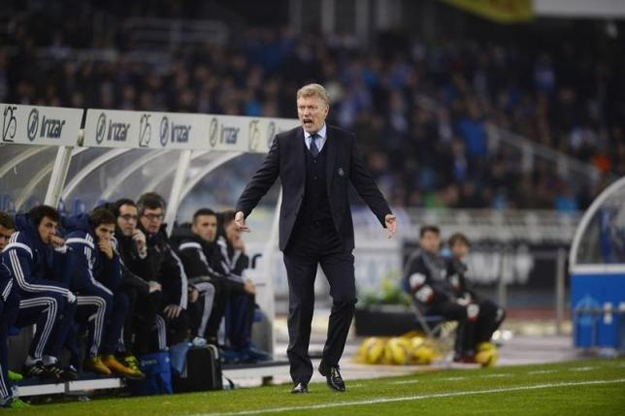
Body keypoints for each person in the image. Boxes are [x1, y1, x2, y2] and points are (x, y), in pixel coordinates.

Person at [235, 83, 397, 393]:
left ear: (325, 110)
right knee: (301, 306)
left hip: (335, 237)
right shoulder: (284, 143)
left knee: (346, 297)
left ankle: (330, 362)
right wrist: (243, 209)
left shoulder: (344, 142)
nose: (305, 113)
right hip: (298, 238)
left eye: (311, 108)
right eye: (301, 108)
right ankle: (300, 377)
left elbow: (364, 181)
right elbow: (262, 179)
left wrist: (384, 213)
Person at [63, 207, 142, 378]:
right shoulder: (80, 239)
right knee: (104, 299)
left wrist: (111, 259)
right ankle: (92, 356)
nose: (107, 235)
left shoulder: (109, 242)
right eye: (103, 230)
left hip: (82, 295)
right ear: (93, 227)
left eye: (111, 232)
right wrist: (108, 294)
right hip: (67, 295)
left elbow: (114, 282)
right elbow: (81, 281)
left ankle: (108, 354)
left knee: (122, 299)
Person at [2, 205, 76, 379]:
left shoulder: (44, 246)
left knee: (69, 300)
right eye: (48, 225)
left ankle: (50, 358)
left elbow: (59, 282)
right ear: (36, 225)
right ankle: (33, 361)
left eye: (55, 227)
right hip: (9, 305)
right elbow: (23, 283)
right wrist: (63, 290)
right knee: (55, 300)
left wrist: (61, 252)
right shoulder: (20, 238)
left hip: (23, 302)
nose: (53, 231)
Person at [404, 225, 479, 360]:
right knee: (469, 309)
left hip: (445, 303)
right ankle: (462, 352)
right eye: (428, 238)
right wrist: (450, 299)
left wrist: (462, 296)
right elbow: (420, 290)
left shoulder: (442, 260)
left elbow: (456, 282)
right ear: (421, 241)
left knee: (478, 306)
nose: (432, 242)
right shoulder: (417, 260)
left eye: (435, 238)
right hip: (428, 306)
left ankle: (475, 347)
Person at [137, 192, 189, 351]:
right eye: (150, 216)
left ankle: (174, 369)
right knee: (160, 320)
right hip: (138, 293)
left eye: (159, 217)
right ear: (140, 216)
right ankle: (146, 357)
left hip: (157, 292)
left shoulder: (159, 238)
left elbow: (175, 267)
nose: (155, 221)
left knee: (183, 314)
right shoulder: (134, 236)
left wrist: (177, 300)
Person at [113, 198, 160, 364]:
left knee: (155, 296)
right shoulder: (112, 238)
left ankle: (141, 354)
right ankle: (122, 351)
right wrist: (146, 287)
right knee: (129, 294)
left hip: (129, 290)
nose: (131, 222)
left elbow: (150, 274)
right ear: (115, 219)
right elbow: (120, 273)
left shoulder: (132, 240)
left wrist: (142, 250)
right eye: (126, 217)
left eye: (134, 218)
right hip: (111, 289)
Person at [447, 233, 506, 363]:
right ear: (451, 248)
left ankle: (480, 343)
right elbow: (448, 287)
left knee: (497, 311)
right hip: (454, 301)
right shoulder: (448, 264)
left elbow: (468, 290)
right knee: (472, 309)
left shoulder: (462, 266)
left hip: (466, 299)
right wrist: (459, 298)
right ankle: (462, 350)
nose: (461, 249)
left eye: (464, 246)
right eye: (457, 245)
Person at [0, 212, 28, 408]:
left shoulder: (4, 273)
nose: (2, 242)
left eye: (7, 238)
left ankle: (4, 392)